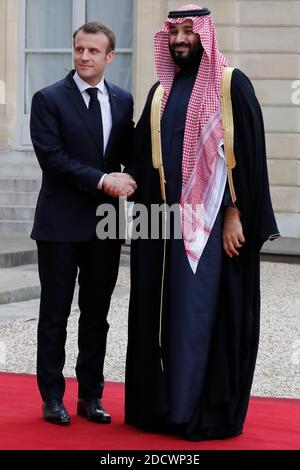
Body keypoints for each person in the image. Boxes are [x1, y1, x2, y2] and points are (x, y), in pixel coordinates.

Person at [125, 5, 279, 441]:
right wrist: (122, 178)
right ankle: (167, 406)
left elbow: (249, 159)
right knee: (166, 314)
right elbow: (141, 156)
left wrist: (236, 214)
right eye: (173, 32)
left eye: (189, 32)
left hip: (213, 230)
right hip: (166, 227)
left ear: (205, 36)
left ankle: (199, 410)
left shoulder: (230, 85)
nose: (179, 39)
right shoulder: (160, 93)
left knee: (199, 314)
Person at [30, 21, 137, 425]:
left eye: (93, 51)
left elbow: (130, 154)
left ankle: (91, 397)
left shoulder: (123, 100)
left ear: (110, 57)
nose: (84, 57)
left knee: (97, 315)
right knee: (54, 315)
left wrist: (143, 177)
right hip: (59, 224)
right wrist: (103, 179)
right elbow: (52, 158)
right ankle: (52, 397)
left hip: (105, 225)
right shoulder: (48, 98)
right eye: (79, 49)